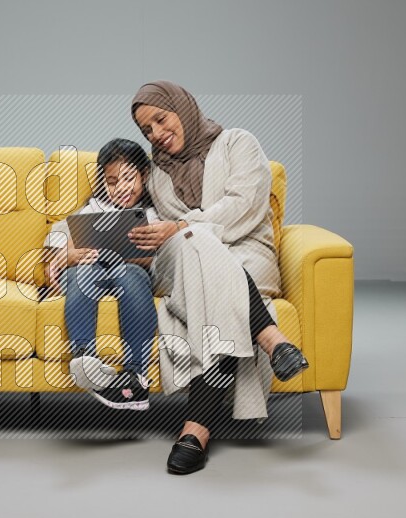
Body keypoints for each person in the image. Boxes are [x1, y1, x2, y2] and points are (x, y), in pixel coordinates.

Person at [128, 80, 309, 474]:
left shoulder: (238, 143)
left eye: (160, 119)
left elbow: (243, 206)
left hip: (245, 251)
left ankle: (196, 429)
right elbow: (119, 210)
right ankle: (270, 337)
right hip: (181, 264)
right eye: (147, 131)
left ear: (182, 107)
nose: (156, 134)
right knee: (196, 245)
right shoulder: (154, 173)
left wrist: (182, 227)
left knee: (210, 277)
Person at [45, 139, 158, 410]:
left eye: (129, 178)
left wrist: (113, 249)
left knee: (132, 275)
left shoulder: (150, 214)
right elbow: (72, 242)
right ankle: (85, 357)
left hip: (129, 271)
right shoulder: (95, 207)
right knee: (80, 274)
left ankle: (135, 373)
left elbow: (149, 256)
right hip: (91, 269)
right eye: (111, 181)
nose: (121, 188)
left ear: (144, 175)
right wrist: (70, 255)